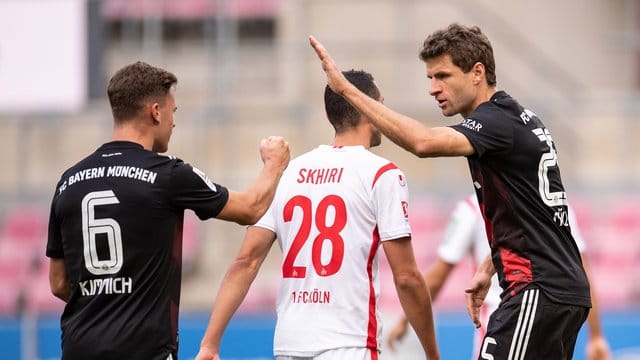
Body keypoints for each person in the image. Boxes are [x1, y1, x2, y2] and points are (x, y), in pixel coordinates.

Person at [310, 23, 591, 359]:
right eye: (430, 77)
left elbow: (423, 142)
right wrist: (490, 266)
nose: (432, 88)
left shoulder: (495, 122)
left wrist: (346, 90)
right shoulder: (520, 119)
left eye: (442, 76)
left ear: (477, 72)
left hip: (537, 289)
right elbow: (536, 216)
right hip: (555, 289)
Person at [46, 61, 290, 360]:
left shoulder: (68, 181)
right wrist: (274, 164)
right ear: (156, 112)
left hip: (77, 349)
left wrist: (105, 303)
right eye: (173, 112)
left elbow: (58, 283)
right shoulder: (168, 174)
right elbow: (251, 208)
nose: (173, 123)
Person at [195, 70, 439, 360]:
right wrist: (432, 355)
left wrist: (209, 344)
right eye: (380, 104)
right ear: (367, 109)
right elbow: (407, 277)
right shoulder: (382, 174)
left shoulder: (287, 173)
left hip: (290, 344)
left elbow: (246, 261)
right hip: (349, 342)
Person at [386, 195, 612, 360]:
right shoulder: (555, 203)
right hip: (547, 325)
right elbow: (580, 270)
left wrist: (406, 320)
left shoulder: (473, 209)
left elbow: (439, 275)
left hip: (500, 327)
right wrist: (596, 336)